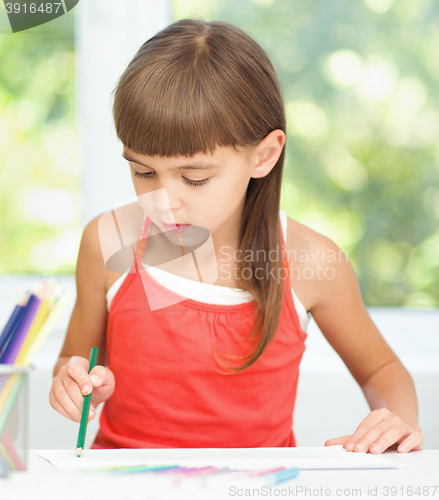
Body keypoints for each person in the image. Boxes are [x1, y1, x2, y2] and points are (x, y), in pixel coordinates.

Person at [50, 18, 423, 454]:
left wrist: (396, 420)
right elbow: (75, 360)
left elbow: (381, 369)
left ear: (263, 155)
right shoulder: (111, 241)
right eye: (143, 171)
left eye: (194, 178)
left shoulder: (309, 262)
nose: (164, 200)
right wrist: (72, 382)